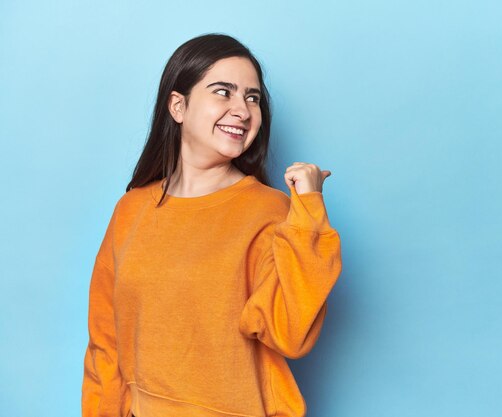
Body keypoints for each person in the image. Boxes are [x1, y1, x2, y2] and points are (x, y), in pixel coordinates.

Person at [81, 33, 342, 417]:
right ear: (178, 106)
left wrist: (309, 211)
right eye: (224, 92)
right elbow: (106, 343)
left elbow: (290, 332)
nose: (243, 109)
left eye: (252, 98)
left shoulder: (271, 211)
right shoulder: (132, 210)